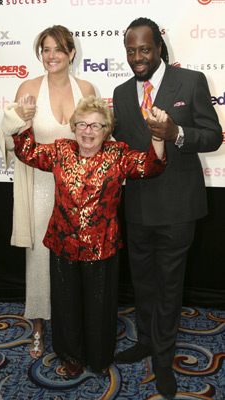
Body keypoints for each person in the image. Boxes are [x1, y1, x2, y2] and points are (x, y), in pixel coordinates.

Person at [11, 95, 166, 378]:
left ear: (106, 130)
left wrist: (158, 135)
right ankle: (71, 355)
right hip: (62, 243)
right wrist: (25, 118)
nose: (88, 131)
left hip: (102, 246)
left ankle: (98, 357)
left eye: (96, 126)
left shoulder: (117, 154)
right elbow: (27, 152)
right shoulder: (60, 151)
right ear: (74, 128)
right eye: (82, 124)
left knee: (100, 306)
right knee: (65, 303)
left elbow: (151, 166)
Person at [112, 17, 223, 398]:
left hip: (178, 207)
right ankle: (145, 340)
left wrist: (176, 133)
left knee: (169, 286)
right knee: (143, 282)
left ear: (159, 48)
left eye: (144, 49)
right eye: (130, 50)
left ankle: (163, 359)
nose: (137, 57)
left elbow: (213, 136)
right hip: (137, 207)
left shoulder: (190, 81)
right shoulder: (121, 92)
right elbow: (122, 148)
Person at [0, 25, 95, 359]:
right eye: (45, 49)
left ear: (71, 53)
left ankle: (74, 321)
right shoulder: (28, 88)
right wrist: (16, 119)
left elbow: (98, 136)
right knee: (39, 258)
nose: (50, 56)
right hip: (40, 186)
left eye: (57, 49)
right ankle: (38, 326)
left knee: (75, 257)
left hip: (77, 189)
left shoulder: (86, 88)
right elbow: (8, 138)